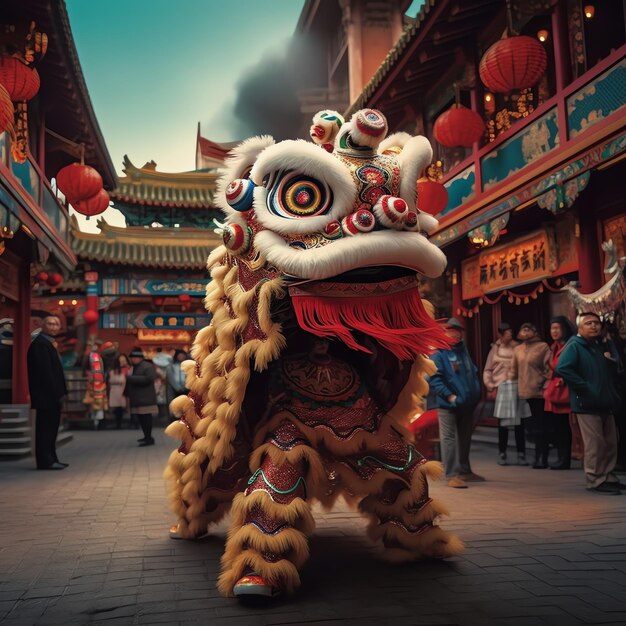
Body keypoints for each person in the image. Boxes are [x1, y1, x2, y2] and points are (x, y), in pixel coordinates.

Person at [556, 312, 623, 494]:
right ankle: (595, 478)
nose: (594, 326)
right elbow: (562, 368)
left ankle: (607, 475)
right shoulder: (575, 345)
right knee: (595, 443)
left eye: (596, 323)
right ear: (580, 327)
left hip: (605, 401)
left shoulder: (599, 345)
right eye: (589, 323)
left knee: (610, 442)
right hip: (587, 402)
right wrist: (584, 387)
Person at [427, 317, 482, 488]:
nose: (455, 335)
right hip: (447, 405)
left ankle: (465, 470)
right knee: (449, 439)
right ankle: (451, 474)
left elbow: (472, 373)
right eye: (451, 331)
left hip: (467, 404)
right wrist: (450, 396)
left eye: (458, 331)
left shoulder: (463, 352)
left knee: (465, 437)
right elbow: (435, 379)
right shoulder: (439, 354)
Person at [27, 316, 68, 470]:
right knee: (45, 429)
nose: (54, 327)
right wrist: (57, 392)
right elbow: (46, 373)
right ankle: (46, 461)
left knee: (52, 429)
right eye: (50, 323)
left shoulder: (48, 343)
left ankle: (52, 458)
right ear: (43, 325)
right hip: (46, 395)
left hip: (52, 395)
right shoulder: (40, 345)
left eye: (56, 324)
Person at [484, 322, 528, 466]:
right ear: (501, 334)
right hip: (501, 386)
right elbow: (488, 369)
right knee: (503, 423)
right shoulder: (495, 349)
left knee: (519, 422)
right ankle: (502, 453)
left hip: (517, 385)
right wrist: (490, 385)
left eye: (511, 332)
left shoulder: (518, 347)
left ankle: (521, 453)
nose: (510, 334)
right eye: (507, 333)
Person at [509, 322, 550, 469]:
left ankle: (542, 457)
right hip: (522, 392)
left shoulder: (543, 347)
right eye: (523, 330)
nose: (525, 332)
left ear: (535, 331)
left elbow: (548, 368)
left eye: (528, 329)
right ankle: (535, 456)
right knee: (529, 427)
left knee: (540, 426)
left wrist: (544, 384)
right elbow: (513, 371)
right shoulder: (518, 349)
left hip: (538, 392)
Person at [543, 316, 575, 470]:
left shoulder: (571, 345)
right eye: (552, 328)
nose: (554, 331)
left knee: (566, 426)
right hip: (556, 389)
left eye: (557, 328)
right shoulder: (554, 346)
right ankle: (562, 457)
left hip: (566, 390)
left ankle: (565, 458)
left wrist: (565, 378)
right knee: (558, 426)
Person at [124, 347, 158, 446]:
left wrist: (131, 378)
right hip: (137, 398)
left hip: (145, 398)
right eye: (132, 357)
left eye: (136, 357)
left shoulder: (147, 366)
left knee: (146, 419)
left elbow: (149, 378)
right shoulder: (133, 367)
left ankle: (149, 438)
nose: (134, 359)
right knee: (141, 419)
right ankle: (146, 436)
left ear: (141, 358)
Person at [84, 340, 108, 429]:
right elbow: (85, 367)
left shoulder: (102, 356)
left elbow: (105, 367)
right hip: (93, 382)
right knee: (93, 402)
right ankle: (94, 421)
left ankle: (100, 421)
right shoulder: (88, 356)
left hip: (100, 382)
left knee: (100, 402)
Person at [165, 349, 189, 417]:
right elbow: (170, 379)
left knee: (185, 407)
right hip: (174, 390)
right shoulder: (171, 366)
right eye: (180, 355)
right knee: (175, 407)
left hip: (186, 390)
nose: (181, 357)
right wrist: (177, 388)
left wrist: (186, 386)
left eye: (183, 355)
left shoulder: (188, 365)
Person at [108, 354, 130, 429]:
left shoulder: (128, 369)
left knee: (122, 407)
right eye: (121, 361)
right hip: (116, 391)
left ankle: (120, 423)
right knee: (118, 407)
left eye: (124, 360)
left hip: (124, 390)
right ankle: (118, 423)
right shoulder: (113, 371)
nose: (123, 362)